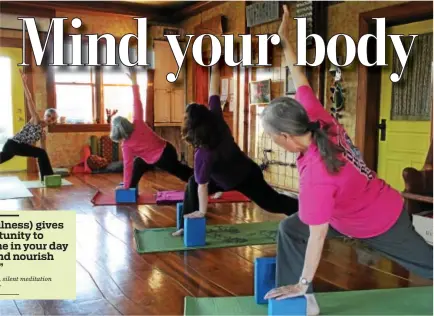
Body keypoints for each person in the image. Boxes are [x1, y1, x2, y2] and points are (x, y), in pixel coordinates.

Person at [261, 5, 433, 315]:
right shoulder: (314, 117)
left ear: (285, 138)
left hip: (381, 220)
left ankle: (299, 288)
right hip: (348, 213)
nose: (273, 142)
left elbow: (318, 235)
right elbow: (299, 76)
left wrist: (304, 279)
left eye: (272, 138)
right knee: (291, 229)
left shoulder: (317, 175)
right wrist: (284, 41)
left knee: (429, 265)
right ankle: (302, 303)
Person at [172, 63, 299, 236]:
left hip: (245, 177)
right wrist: (215, 69)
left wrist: (202, 212)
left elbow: (203, 187)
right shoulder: (215, 117)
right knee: (192, 183)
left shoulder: (203, 154)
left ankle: (308, 213)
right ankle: (185, 225)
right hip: (236, 174)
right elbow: (214, 91)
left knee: (273, 203)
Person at [110, 68, 193, 190]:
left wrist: (125, 187)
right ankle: (130, 185)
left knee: (181, 172)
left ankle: (203, 182)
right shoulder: (137, 121)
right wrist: (134, 81)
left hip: (163, 159)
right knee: (139, 162)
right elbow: (137, 101)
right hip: (168, 149)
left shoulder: (126, 145)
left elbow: (127, 166)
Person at [0, 70, 57, 180]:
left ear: (54, 121)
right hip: (14, 144)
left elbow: (42, 150)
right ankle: (48, 177)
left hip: (15, 146)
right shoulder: (36, 119)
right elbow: (29, 100)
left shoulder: (42, 133)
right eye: (49, 115)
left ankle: (46, 177)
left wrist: (41, 157)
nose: (50, 118)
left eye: (53, 118)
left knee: (41, 153)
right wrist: (24, 83)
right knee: (41, 153)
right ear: (45, 115)